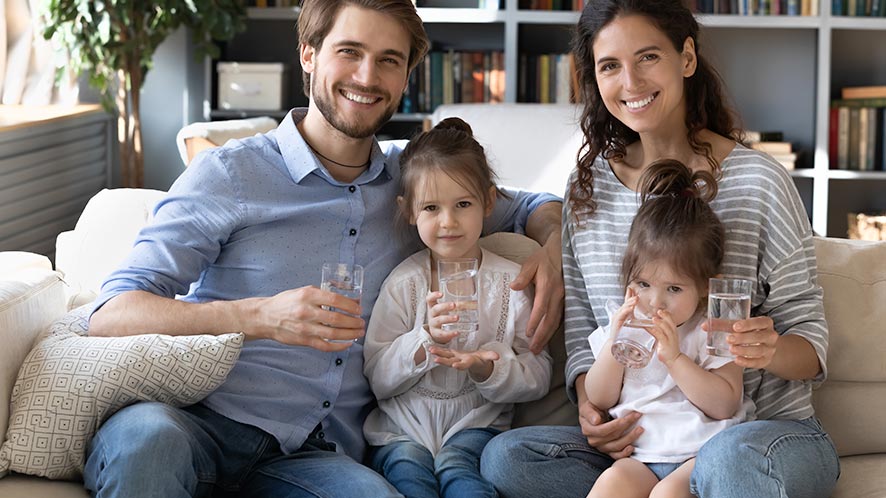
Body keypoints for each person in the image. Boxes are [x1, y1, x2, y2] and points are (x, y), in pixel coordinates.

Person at [83, 1, 564, 497]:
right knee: (146, 441)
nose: (367, 76)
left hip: (315, 456)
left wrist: (551, 247)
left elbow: (533, 202)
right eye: (349, 51)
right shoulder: (231, 174)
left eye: (388, 60)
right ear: (309, 54)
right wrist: (259, 316)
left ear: (405, 79)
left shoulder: (420, 187)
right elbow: (111, 313)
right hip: (195, 424)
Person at [480, 0, 840, 497]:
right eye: (609, 65)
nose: (630, 81)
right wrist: (591, 410)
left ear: (686, 58)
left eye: (648, 56)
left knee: (729, 463)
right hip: (648, 442)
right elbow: (587, 327)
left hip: (759, 434)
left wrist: (770, 349)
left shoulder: (759, 182)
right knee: (508, 458)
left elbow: (812, 344)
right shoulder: (589, 191)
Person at [362, 118, 553, 498]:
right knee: (408, 477)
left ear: (488, 202)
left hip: (476, 428)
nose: (448, 222)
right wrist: (423, 340)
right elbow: (377, 377)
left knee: (461, 475)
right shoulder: (404, 283)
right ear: (410, 210)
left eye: (462, 204)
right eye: (431, 207)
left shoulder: (511, 284)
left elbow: (539, 374)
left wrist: (488, 367)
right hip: (401, 431)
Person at [584, 159, 748, 498]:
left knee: (667, 495)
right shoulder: (624, 322)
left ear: (705, 286)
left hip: (700, 450)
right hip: (641, 456)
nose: (655, 302)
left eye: (674, 289)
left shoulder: (711, 328)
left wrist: (675, 359)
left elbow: (724, 405)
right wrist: (615, 340)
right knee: (611, 484)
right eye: (643, 283)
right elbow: (599, 397)